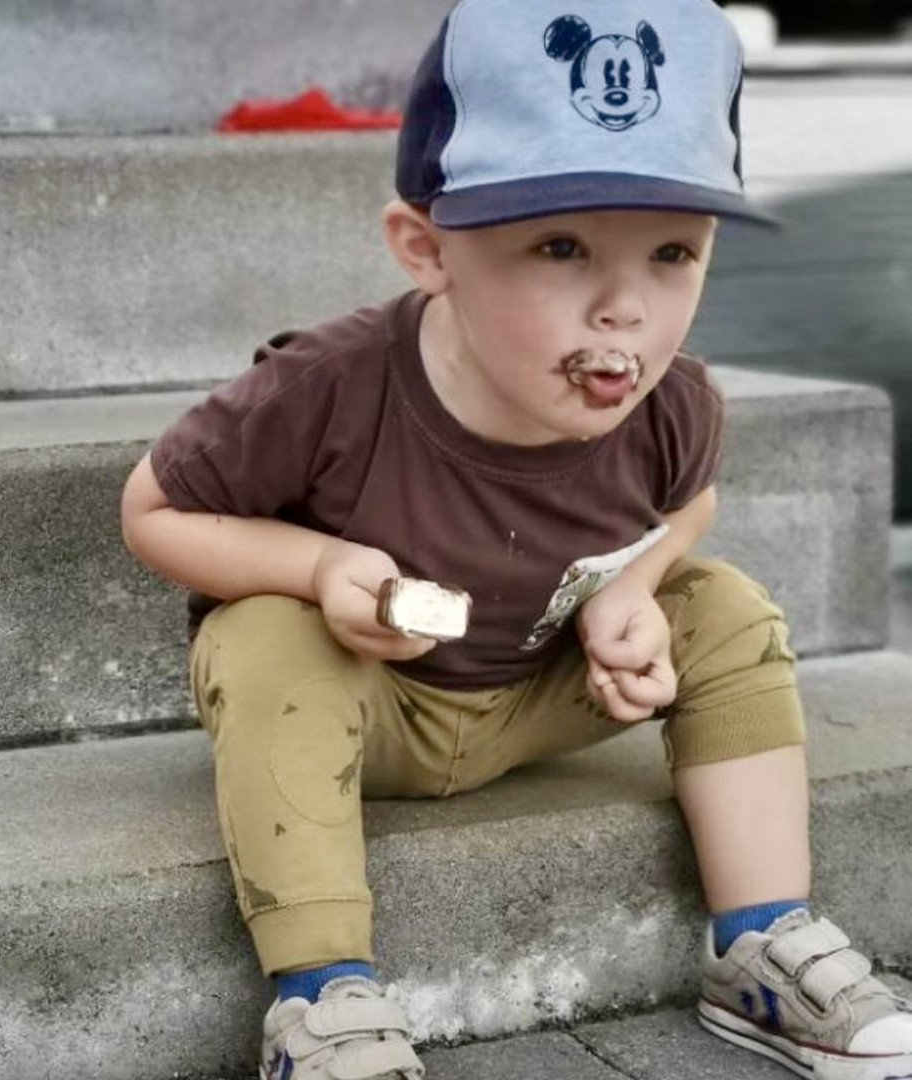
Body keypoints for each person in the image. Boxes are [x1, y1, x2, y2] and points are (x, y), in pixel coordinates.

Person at [120, 0, 912, 1077]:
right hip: (365, 700)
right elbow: (153, 508)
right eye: (559, 246)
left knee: (723, 605)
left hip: (538, 686)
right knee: (266, 636)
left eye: (673, 252)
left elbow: (691, 506)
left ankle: (759, 946)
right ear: (425, 249)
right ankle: (321, 1002)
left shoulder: (671, 404)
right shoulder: (327, 386)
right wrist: (314, 565)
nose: (622, 308)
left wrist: (629, 586)